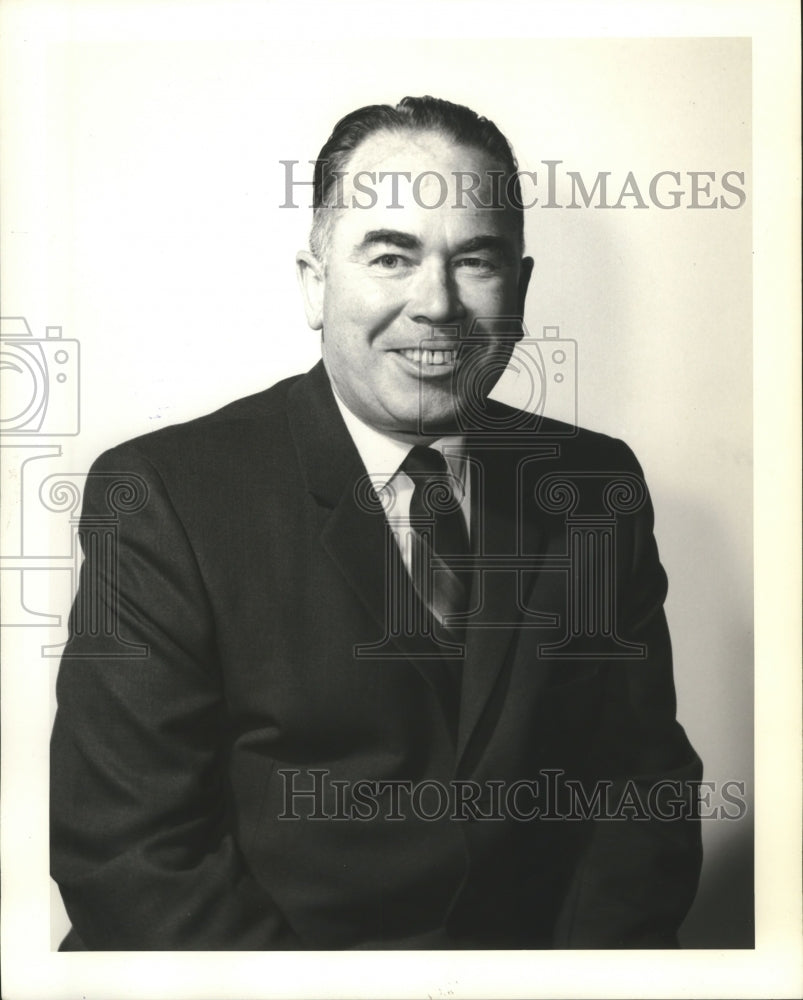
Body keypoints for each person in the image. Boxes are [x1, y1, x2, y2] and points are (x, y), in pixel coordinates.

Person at [50, 96, 702, 950]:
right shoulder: (160, 495)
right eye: (391, 256)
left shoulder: (592, 484)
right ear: (315, 284)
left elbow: (639, 790)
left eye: (474, 259)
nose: (436, 304)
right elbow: (130, 858)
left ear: (521, 287)